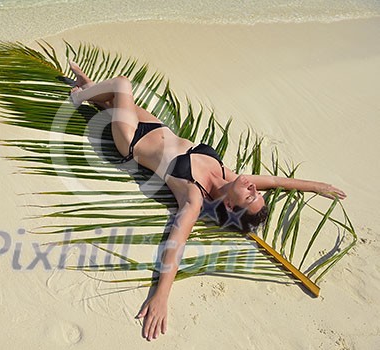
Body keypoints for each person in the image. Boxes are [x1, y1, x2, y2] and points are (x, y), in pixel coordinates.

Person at [68, 61, 346, 341]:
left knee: (122, 85)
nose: (253, 187)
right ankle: (89, 88)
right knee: (115, 100)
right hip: (155, 126)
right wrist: (316, 186)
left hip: (130, 141)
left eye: (250, 196)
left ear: (229, 206)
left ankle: (78, 96)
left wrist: (161, 296)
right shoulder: (233, 177)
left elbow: (175, 245)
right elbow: (276, 181)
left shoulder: (193, 197)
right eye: (256, 193)